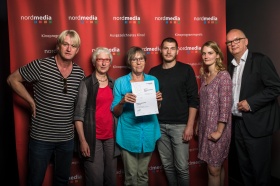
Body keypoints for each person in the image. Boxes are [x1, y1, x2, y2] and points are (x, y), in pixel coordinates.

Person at [7, 30, 85, 186]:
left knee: (62, 181)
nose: (69, 49)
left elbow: (78, 105)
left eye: (73, 46)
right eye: (65, 44)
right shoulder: (41, 65)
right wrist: (30, 101)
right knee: (35, 181)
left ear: (77, 50)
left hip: (66, 139)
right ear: (58, 46)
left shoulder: (79, 73)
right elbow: (12, 79)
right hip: (41, 138)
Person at [226, 28, 280, 186]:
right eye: (229, 42)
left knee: (260, 172)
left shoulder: (260, 60)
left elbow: (275, 87)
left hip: (258, 125)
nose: (233, 43)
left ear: (246, 41)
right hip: (238, 124)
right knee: (245, 169)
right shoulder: (231, 67)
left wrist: (250, 102)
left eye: (237, 40)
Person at [148, 37, 199, 186]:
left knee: (182, 168)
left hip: (180, 126)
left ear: (177, 51)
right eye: (165, 48)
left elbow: (193, 100)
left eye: (172, 48)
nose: (169, 51)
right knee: (168, 167)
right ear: (160, 50)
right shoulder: (153, 72)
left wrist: (189, 125)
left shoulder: (186, 70)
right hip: (159, 126)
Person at [111, 46, 162, 186]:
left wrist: (158, 101)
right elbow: (115, 111)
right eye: (134, 59)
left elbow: (156, 109)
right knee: (131, 176)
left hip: (149, 132)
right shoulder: (120, 82)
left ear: (145, 61)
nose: (138, 62)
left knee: (143, 175)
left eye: (141, 59)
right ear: (129, 62)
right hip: (128, 134)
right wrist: (122, 101)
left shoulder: (153, 80)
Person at [73, 47, 120, 186]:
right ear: (94, 62)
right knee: (96, 180)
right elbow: (78, 115)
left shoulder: (114, 84)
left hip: (111, 137)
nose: (104, 63)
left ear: (110, 63)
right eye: (100, 59)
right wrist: (82, 140)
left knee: (111, 179)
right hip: (92, 138)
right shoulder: (86, 83)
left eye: (107, 60)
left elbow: (118, 110)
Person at [195, 41, 232, 186]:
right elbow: (202, 103)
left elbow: (225, 106)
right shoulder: (205, 76)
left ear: (217, 55)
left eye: (210, 53)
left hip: (218, 129)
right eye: (204, 53)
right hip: (206, 127)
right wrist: (198, 123)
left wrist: (219, 131)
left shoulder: (223, 76)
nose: (206, 56)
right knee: (216, 167)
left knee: (213, 169)